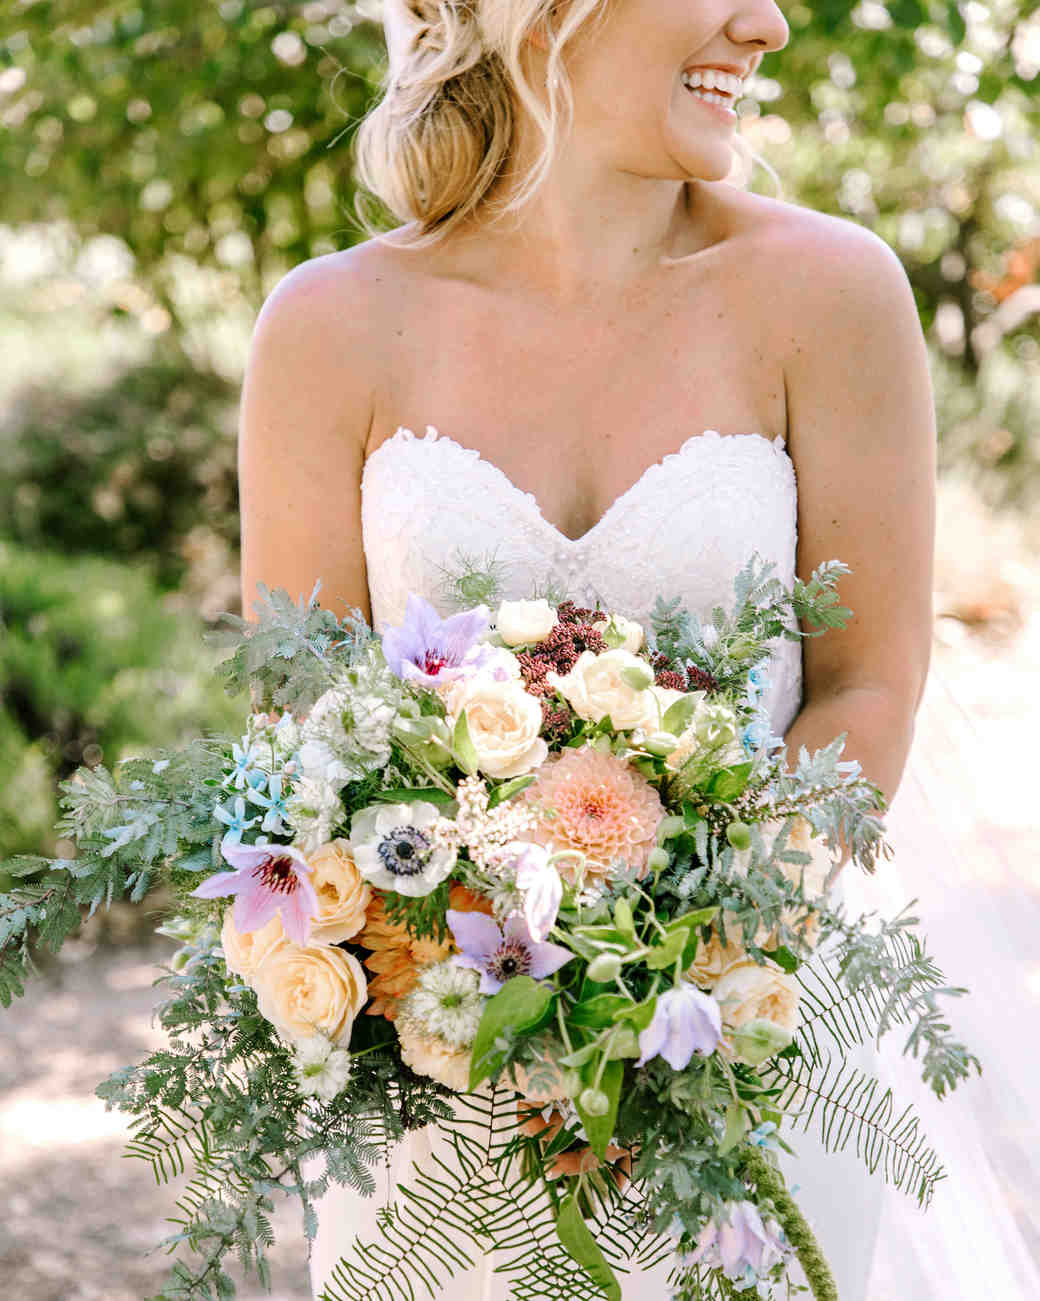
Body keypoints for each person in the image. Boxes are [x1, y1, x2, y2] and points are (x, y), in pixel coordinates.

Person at [236, 0, 941, 1296]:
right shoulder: (330, 326)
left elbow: (870, 678)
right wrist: (458, 958)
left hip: (737, 1051)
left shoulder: (833, 297)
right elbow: (304, 722)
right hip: (439, 1092)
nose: (769, 24)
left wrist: (695, 941)